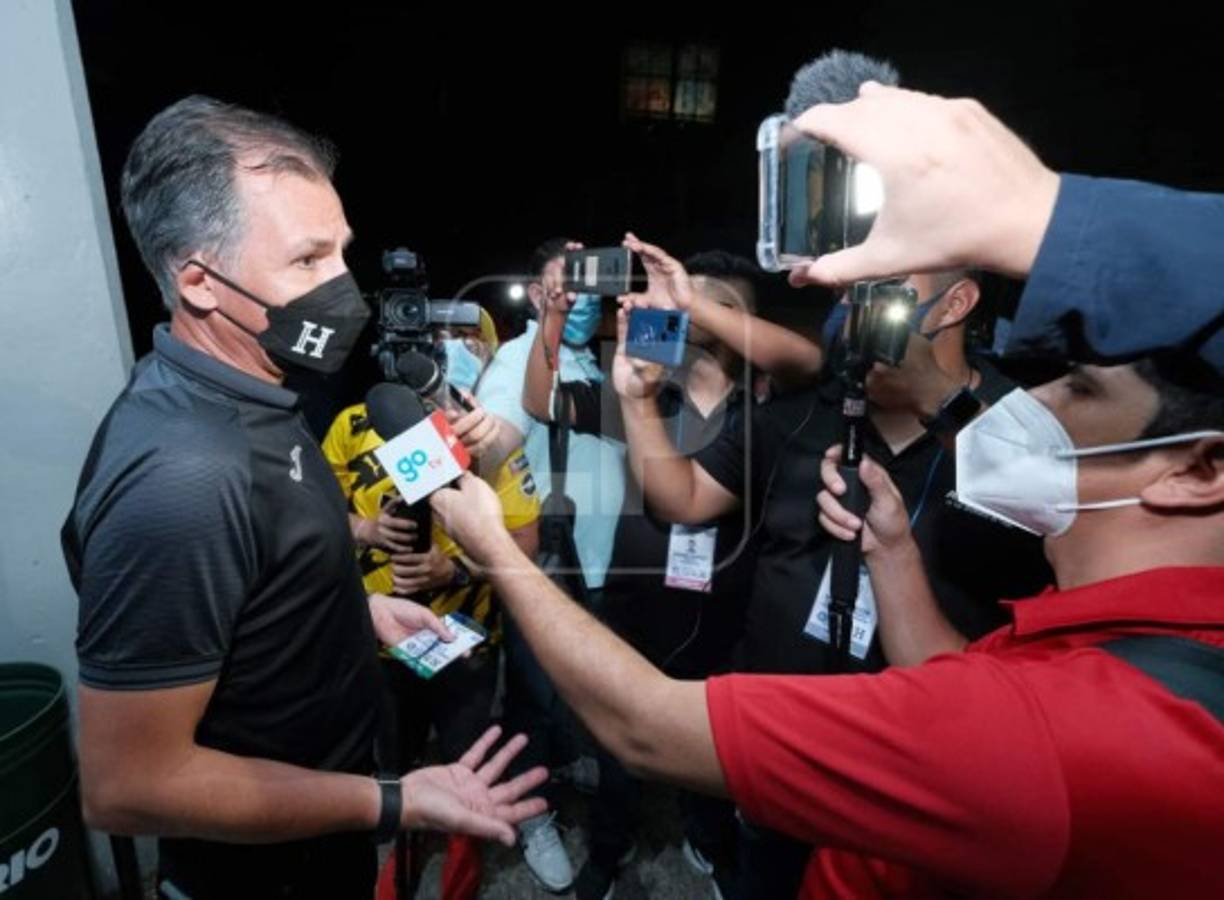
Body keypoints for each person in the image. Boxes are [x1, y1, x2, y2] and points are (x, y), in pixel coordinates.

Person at [61, 96, 545, 899]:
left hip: (322, 850)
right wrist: (394, 800)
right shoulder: (185, 475)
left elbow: (248, 590)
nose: (343, 290)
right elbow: (128, 784)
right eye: (306, 261)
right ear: (198, 281)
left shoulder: (265, 397)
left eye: (340, 254)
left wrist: (348, 613)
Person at [321, 306, 539, 899]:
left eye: (470, 338)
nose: (453, 348)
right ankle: (400, 860)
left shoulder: (489, 438)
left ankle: (467, 870)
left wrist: (454, 566)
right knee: (390, 765)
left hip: (465, 640)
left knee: (473, 764)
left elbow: (526, 542)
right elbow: (314, 520)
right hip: (379, 641)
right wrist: (364, 532)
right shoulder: (352, 425)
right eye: (443, 337)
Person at [474, 237, 627, 890]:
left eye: (587, 289)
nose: (577, 301)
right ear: (537, 295)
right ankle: (533, 819)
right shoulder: (518, 359)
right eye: (563, 288)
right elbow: (498, 439)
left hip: (596, 563)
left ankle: (568, 758)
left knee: (577, 681)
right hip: (551, 566)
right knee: (533, 697)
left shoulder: (591, 363)